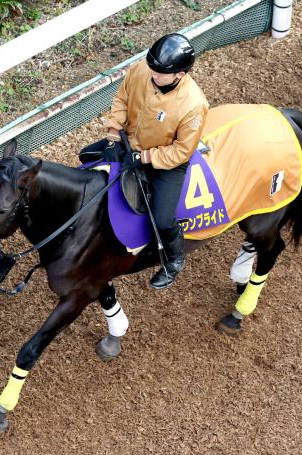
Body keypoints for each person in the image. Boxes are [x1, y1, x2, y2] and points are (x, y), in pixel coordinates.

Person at [79, 33, 209, 289]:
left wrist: (144, 157)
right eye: (152, 68)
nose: (153, 75)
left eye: (160, 74)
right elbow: (122, 98)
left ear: (179, 76)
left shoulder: (194, 105)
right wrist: (113, 134)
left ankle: (174, 258)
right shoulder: (144, 70)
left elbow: (181, 151)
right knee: (86, 156)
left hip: (165, 160)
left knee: (161, 219)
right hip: (128, 142)